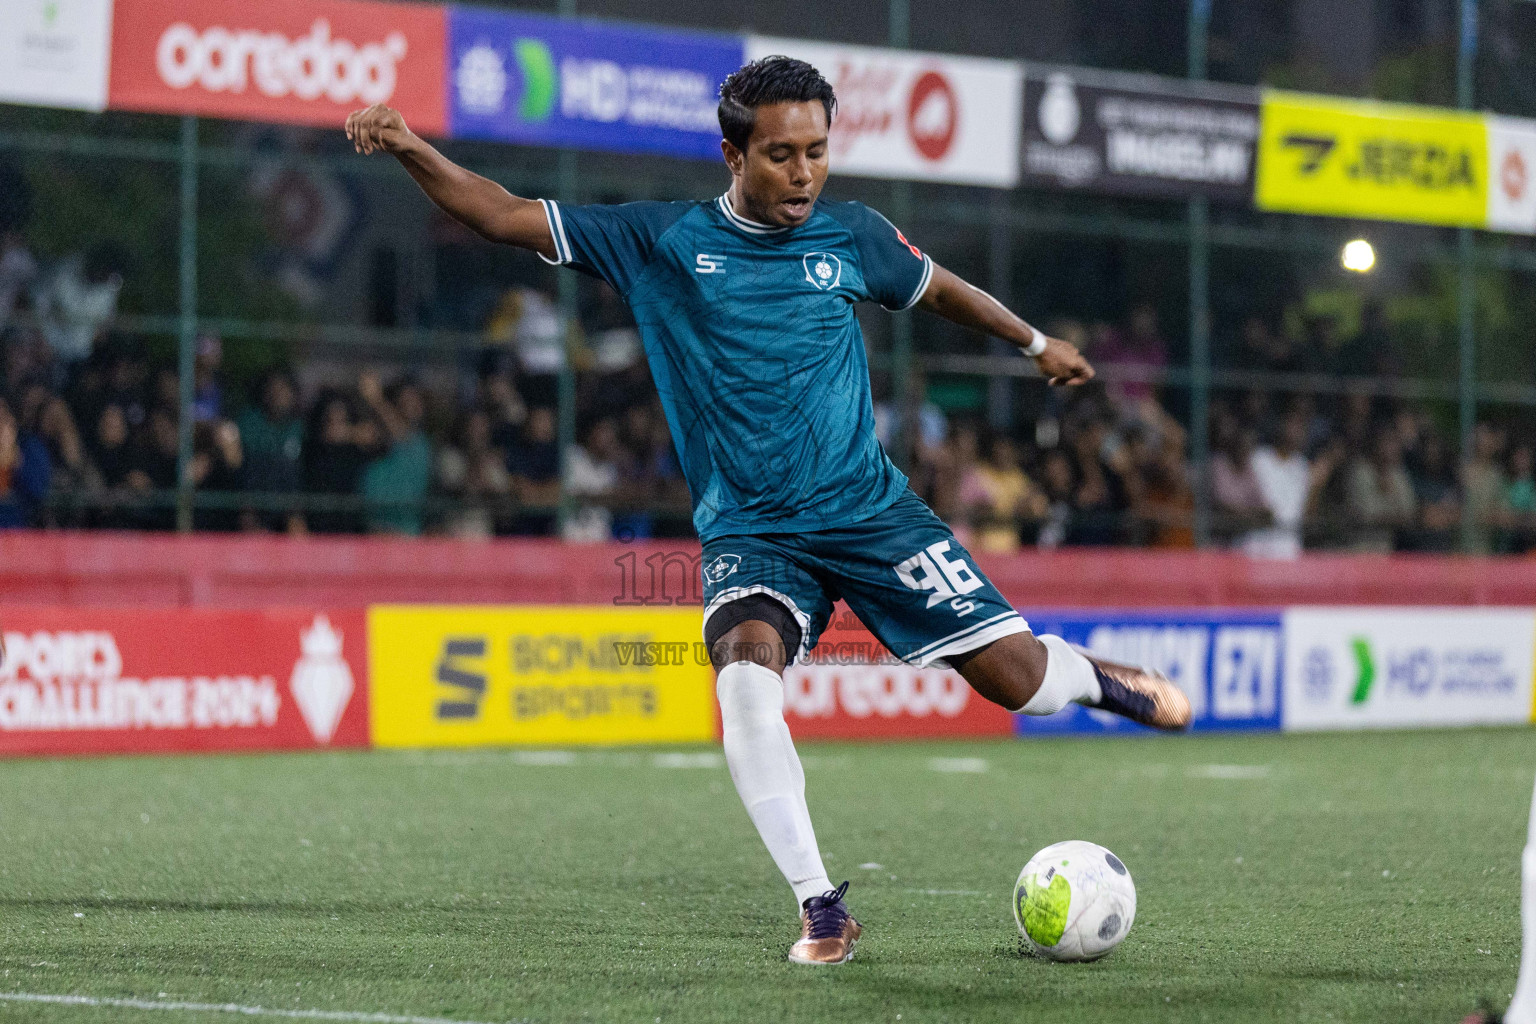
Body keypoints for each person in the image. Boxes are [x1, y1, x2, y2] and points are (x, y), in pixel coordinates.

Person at [346, 55, 1192, 966]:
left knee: (1016, 682)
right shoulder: (660, 240)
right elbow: (502, 213)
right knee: (744, 678)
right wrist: (410, 148)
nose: (803, 174)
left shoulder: (852, 238)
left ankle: (1097, 681)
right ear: (732, 153)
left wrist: (1034, 341)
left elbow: (939, 288)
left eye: (818, 153)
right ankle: (820, 906)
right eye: (782, 155)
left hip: (871, 514)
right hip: (752, 532)